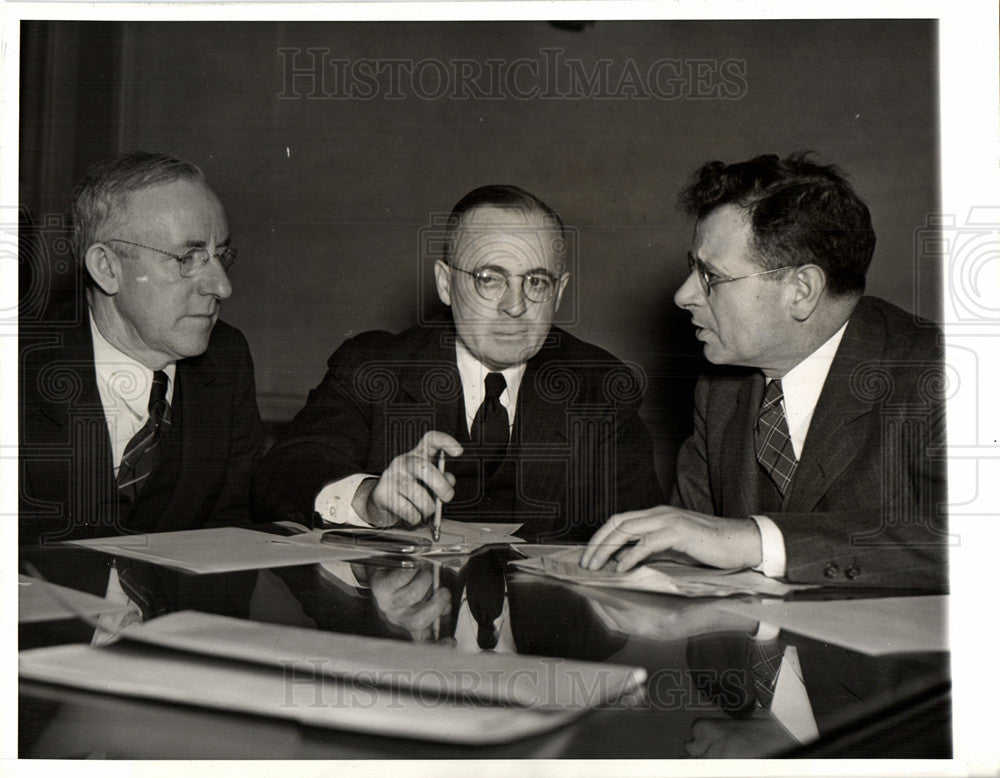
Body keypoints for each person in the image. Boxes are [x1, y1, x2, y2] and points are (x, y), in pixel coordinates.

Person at [582, 153, 947, 590]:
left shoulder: (942, 375)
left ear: (801, 290)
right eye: (691, 268)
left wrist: (760, 541)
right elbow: (687, 555)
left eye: (711, 276)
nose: (683, 295)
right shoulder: (719, 389)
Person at [254, 184, 662, 543]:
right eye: (490, 278)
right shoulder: (374, 368)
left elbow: (638, 540)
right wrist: (368, 498)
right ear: (446, 285)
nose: (515, 306)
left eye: (536, 282)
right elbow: (284, 473)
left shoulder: (600, 386)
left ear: (558, 294)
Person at [19, 151, 264, 595]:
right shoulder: (18, 369)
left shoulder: (227, 362)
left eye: (220, 255)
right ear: (107, 268)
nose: (222, 286)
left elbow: (232, 534)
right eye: (189, 257)